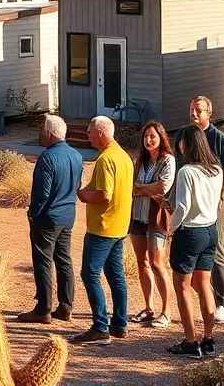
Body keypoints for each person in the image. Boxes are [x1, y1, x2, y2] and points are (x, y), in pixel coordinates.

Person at [175, 96, 224, 322]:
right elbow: (178, 164)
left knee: (217, 249)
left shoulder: (220, 139)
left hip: (211, 203)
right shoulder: (182, 134)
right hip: (185, 198)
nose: (194, 114)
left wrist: (217, 194)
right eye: (191, 109)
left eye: (199, 111)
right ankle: (206, 296)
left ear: (209, 113)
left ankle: (223, 302)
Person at [70, 115, 134, 346]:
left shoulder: (105, 159)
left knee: (90, 273)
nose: (87, 135)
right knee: (116, 275)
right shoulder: (124, 156)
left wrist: (82, 194)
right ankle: (120, 322)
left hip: (103, 227)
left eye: (89, 132)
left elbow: (104, 194)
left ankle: (99, 326)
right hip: (120, 225)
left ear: (100, 132)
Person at [17, 115, 84, 325]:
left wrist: (33, 213)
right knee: (64, 259)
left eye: (41, 130)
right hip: (67, 214)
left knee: (43, 261)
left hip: (47, 217)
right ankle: (66, 306)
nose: (39, 133)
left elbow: (42, 192)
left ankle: (43, 308)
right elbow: (77, 184)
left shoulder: (47, 158)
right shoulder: (76, 155)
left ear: (49, 133)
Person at [164, 125, 224, 358]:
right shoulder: (216, 170)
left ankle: (190, 340)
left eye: (180, 141)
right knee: (204, 285)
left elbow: (182, 207)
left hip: (189, 232)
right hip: (210, 230)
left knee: (183, 287)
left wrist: (171, 229)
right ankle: (208, 338)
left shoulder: (187, 171)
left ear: (186, 144)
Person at [129, 121, 175, 329]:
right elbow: (131, 188)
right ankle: (149, 308)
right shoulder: (139, 161)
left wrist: (141, 188)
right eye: (146, 137)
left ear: (161, 138)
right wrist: (145, 189)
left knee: (158, 264)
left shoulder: (168, 161)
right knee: (142, 262)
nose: (148, 140)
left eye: (152, 136)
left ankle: (166, 312)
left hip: (157, 219)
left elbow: (163, 186)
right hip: (137, 217)